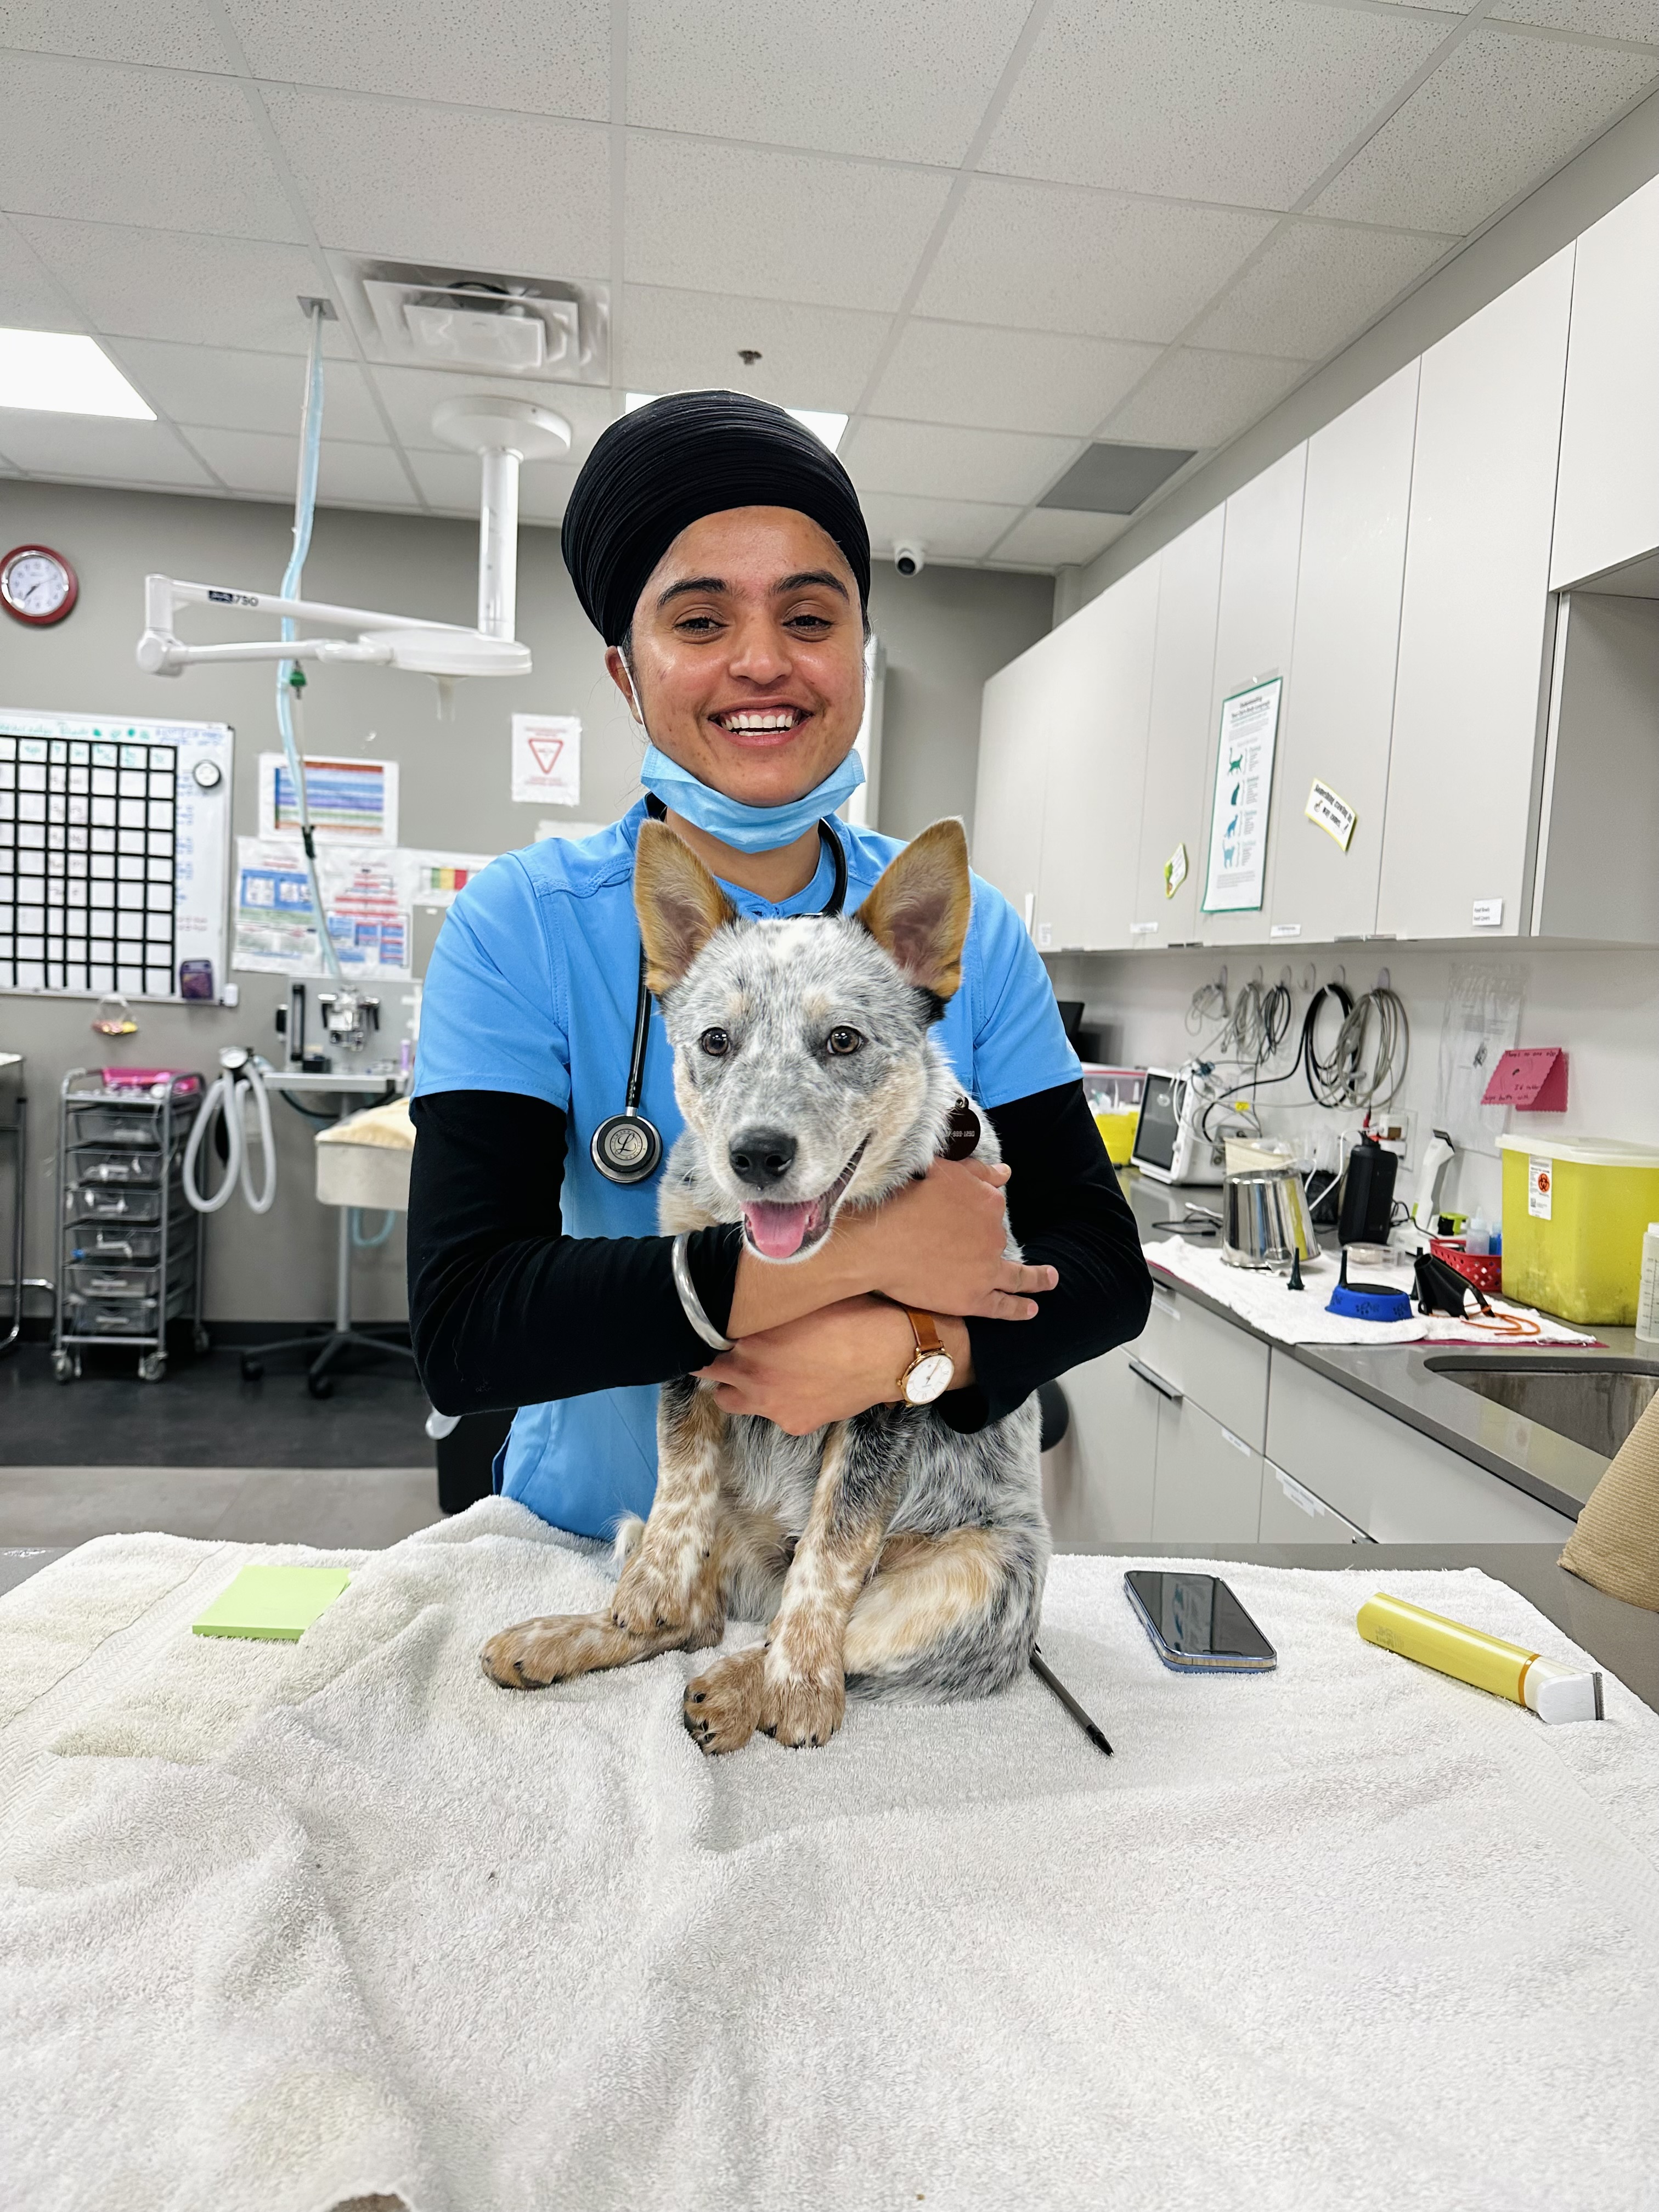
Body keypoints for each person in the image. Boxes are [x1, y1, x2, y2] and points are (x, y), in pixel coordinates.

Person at [408, 390, 1151, 1538]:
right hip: (603, 1544)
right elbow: (470, 1325)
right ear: (625, 672)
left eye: (810, 619)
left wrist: (911, 1352)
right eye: (700, 623)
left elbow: (1101, 1268)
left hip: (864, 1582)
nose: (763, 663)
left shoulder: (959, 927)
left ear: (859, 648)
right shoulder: (526, 924)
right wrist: (860, 1258)